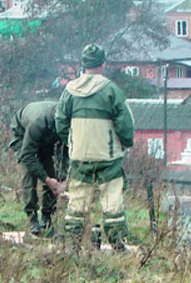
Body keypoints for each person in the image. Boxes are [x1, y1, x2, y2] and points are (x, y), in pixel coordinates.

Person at [55, 44, 135, 250]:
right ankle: (117, 245)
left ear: (83, 64)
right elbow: (125, 124)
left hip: (80, 156)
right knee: (112, 200)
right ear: (103, 64)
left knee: (77, 201)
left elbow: (60, 122)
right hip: (108, 156)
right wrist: (126, 143)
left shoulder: (69, 91)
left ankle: (73, 244)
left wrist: (72, 143)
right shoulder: (111, 90)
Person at [9, 100, 67, 236]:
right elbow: (27, 156)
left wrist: (64, 180)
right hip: (23, 135)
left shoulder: (67, 123)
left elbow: (67, 154)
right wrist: (46, 179)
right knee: (29, 173)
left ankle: (47, 217)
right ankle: (32, 218)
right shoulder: (38, 123)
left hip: (47, 140)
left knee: (53, 172)